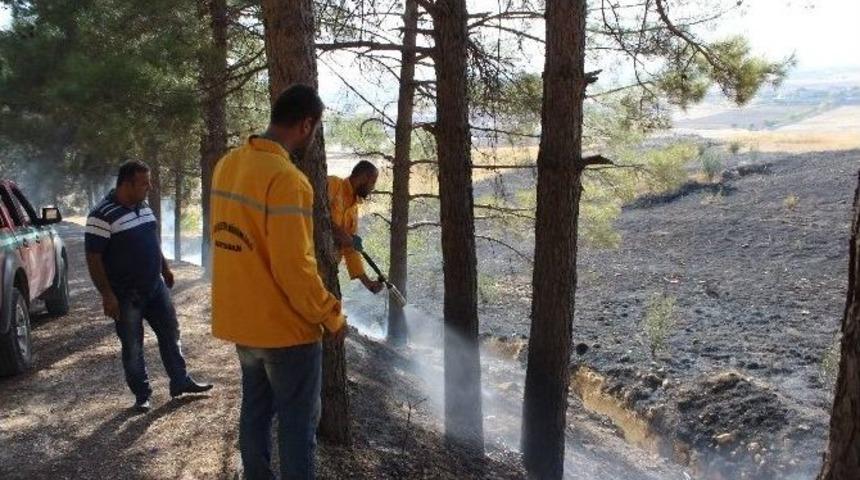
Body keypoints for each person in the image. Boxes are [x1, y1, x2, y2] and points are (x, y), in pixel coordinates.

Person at [210, 84, 347, 480]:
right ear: (306, 124)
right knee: (297, 423)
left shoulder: (228, 164)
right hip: (285, 331)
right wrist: (331, 316)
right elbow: (295, 269)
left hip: (242, 323)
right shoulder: (288, 179)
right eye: (316, 129)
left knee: (254, 412)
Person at [85, 161, 213, 412]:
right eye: (144, 182)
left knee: (171, 333)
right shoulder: (100, 215)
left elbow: (152, 241)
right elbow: (93, 258)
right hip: (126, 295)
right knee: (133, 346)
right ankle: (142, 395)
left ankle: (180, 381)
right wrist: (107, 295)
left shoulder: (143, 207)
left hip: (155, 287)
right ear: (127, 184)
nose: (149, 187)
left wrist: (164, 268)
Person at [327, 161, 383, 294]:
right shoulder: (333, 184)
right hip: (308, 263)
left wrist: (367, 282)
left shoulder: (354, 210)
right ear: (364, 178)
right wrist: (339, 232)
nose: (373, 188)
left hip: (329, 271)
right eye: (373, 182)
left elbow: (351, 249)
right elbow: (314, 212)